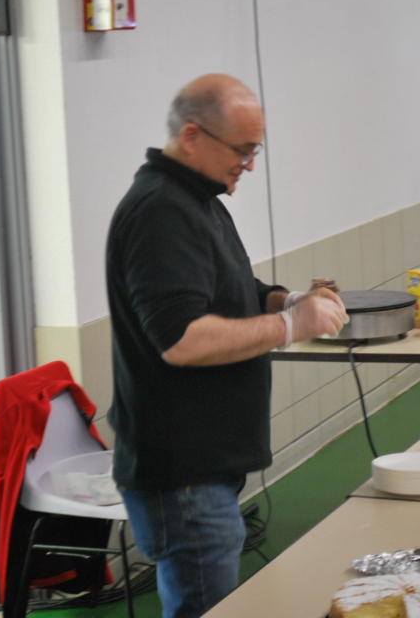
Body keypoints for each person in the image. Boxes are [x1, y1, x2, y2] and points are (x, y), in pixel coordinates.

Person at [106, 73, 347, 618]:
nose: (249, 164)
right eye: (242, 150)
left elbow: (230, 290)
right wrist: (293, 325)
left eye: (254, 149)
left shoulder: (197, 199)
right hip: (183, 474)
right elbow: (182, 340)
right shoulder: (160, 211)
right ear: (192, 135)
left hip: (204, 468)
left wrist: (284, 299)